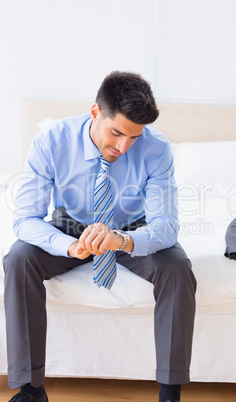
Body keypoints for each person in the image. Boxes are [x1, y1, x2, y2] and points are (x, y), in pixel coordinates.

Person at [3, 71, 197, 402]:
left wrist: (120, 240)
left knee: (177, 268)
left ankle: (170, 393)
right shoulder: (51, 143)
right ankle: (31, 390)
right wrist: (70, 245)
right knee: (19, 258)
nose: (123, 147)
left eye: (134, 137)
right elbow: (25, 219)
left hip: (130, 230)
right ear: (96, 113)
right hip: (70, 227)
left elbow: (165, 224)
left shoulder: (157, 149)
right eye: (117, 133)